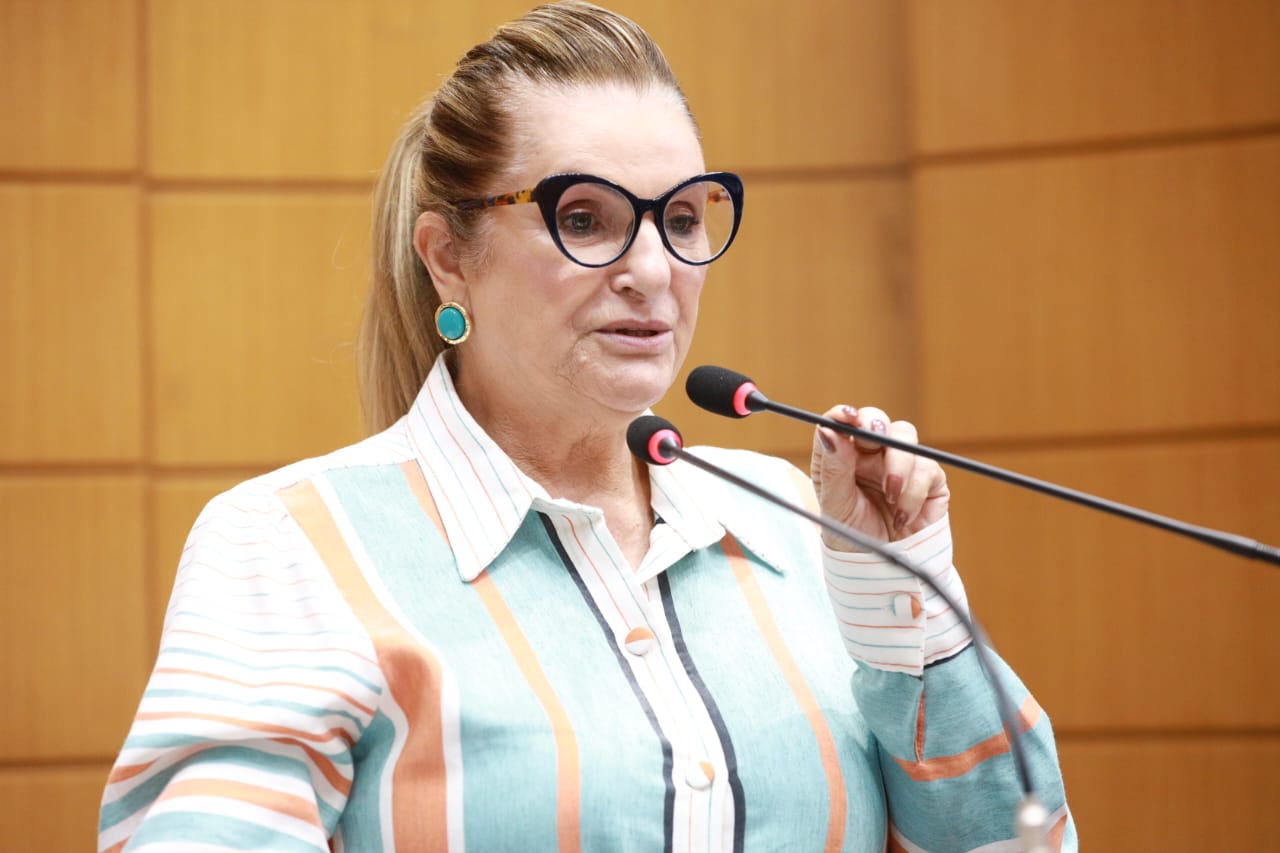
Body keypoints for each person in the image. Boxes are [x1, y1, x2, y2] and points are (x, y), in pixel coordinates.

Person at [99, 3, 1075, 851]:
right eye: (584, 217)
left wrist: (900, 609)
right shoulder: (288, 546)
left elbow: (1015, 839)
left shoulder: (792, 520)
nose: (653, 271)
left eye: (682, 219)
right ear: (448, 258)